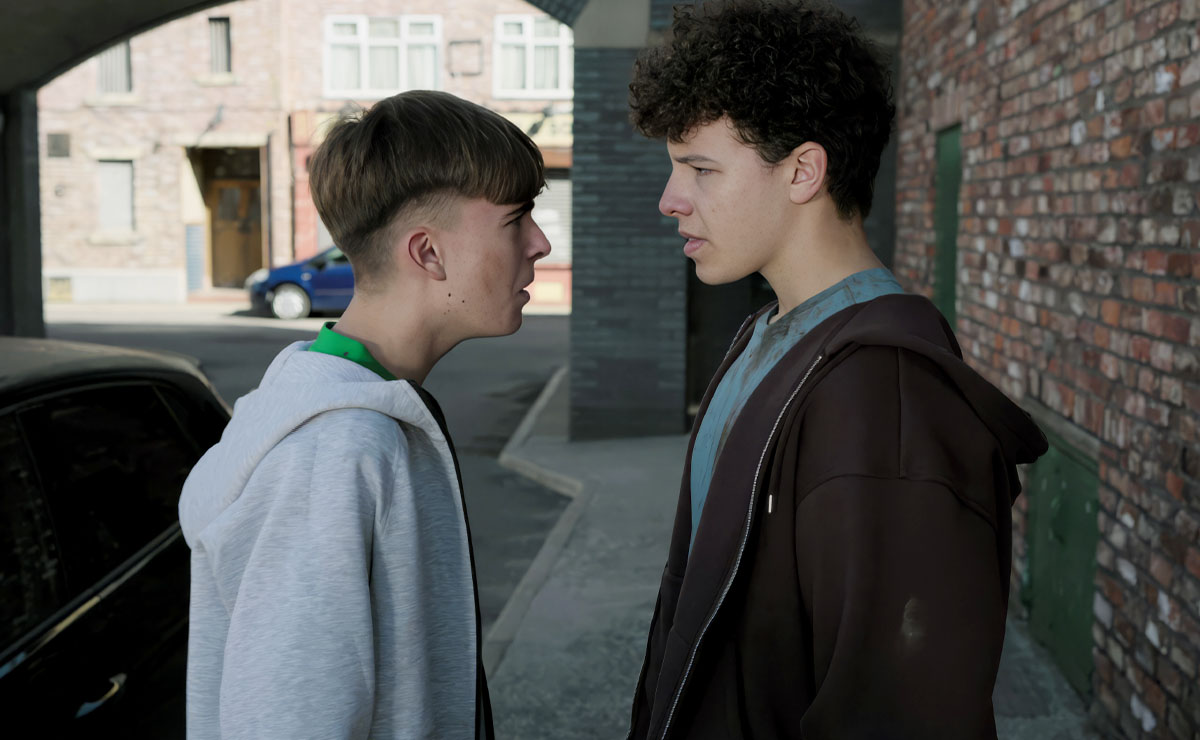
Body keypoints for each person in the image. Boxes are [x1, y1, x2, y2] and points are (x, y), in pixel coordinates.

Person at [625, 2, 1048, 737]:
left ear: (803, 171)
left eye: (699, 169)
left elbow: (900, 712)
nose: (670, 200)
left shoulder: (888, 398)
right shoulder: (768, 333)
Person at [178, 90, 550, 740]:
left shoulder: (362, 415)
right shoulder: (332, 452)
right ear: (427, 253)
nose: (540, 244)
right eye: (516, 219)